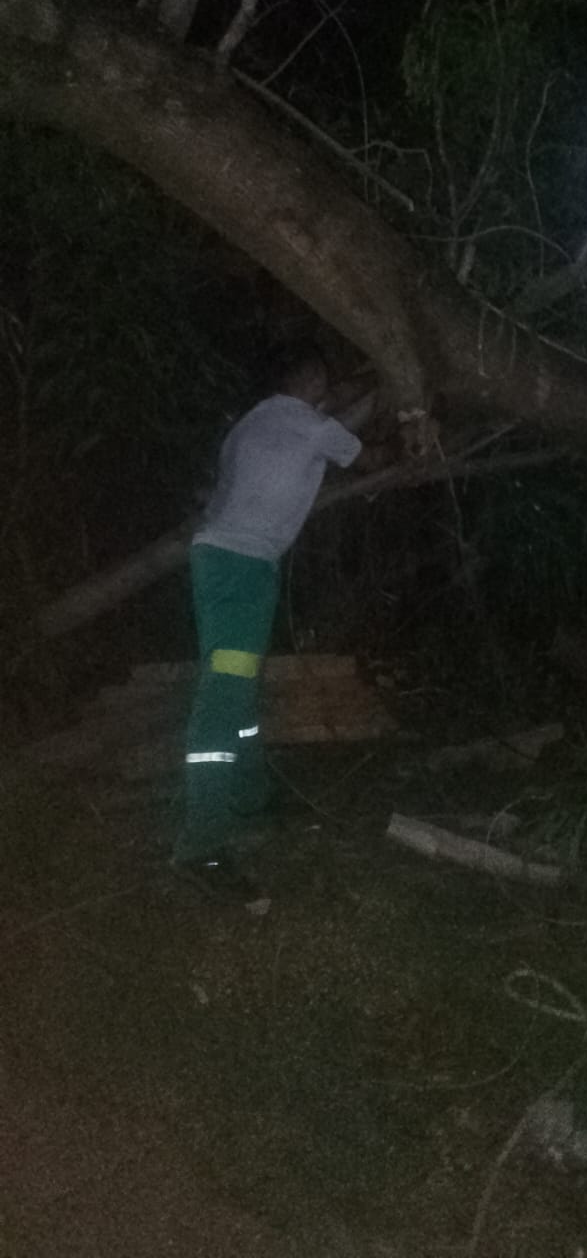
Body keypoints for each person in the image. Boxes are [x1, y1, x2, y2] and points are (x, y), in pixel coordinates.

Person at [171, 346, 375, 901]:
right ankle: (201, 846)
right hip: (241, 571)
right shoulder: (308, 424)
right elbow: (368, 456)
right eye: (325, 383)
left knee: (241, 688)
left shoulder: (251, 425)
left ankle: (250, 797)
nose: (329, 393)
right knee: (224, 696)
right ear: (311, 380)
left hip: (230, 565)